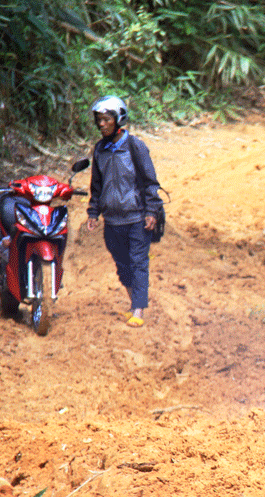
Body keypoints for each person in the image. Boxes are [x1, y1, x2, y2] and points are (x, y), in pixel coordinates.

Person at [85, 95, 162, 327]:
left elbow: (150, 182)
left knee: (138, 262)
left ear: (119, 120)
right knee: (122, 264)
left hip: (137, 217)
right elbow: (96, 186)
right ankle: (133, 305)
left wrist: (152, 211)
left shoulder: (135, 146)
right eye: (99, 119)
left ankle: (138, 311)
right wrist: (92, 212)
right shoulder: (99, 150)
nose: (101, 124)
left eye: (106, 119)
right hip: (112, 220)